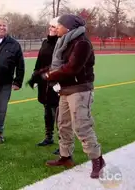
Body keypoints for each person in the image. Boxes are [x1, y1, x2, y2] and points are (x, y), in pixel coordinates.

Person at [39, 14, 106, 178]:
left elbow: (71, 68)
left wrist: (50, 75)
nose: (56, 28)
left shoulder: (82, 43)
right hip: (66, 90)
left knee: (82, 126)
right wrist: (46, 73)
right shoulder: (65, 41)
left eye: (59, 25)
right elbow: (61, 64)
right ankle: (65, 156)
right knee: (63, 124)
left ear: (68, 27)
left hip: (80, 90)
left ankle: (97, 160)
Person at [28, 18, 61, 151]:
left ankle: (63, 142)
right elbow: (39, 61)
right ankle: (49, 137)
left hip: (57, 83)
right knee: (47, 111)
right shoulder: (45, 42)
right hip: (44, 82)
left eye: (54, 27)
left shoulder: (62, 43)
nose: (50, 28)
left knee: (59, 114)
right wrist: (35, 77)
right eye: (50, 26)